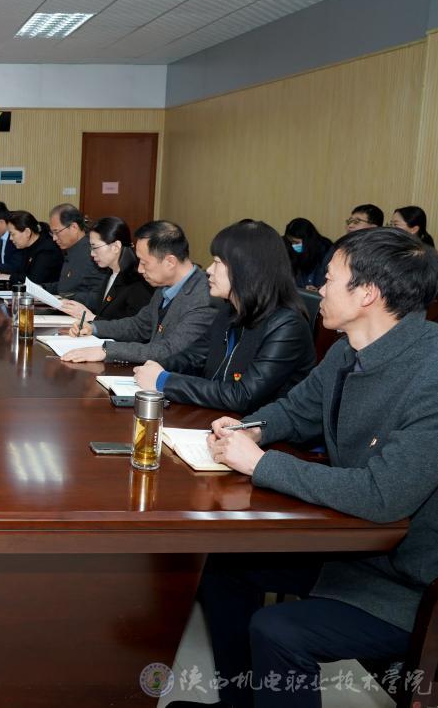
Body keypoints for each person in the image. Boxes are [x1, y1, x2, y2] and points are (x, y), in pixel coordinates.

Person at [167, 228, 438, 708]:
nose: (317, 289)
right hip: (355, 548)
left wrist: (261, 463)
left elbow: (382, 496)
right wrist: (251, 430)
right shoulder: (348, 349)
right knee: (225, 567)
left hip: (408, 583)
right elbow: (296, 409)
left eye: (329, 279)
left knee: (279, 631)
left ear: (367, 294)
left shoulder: (429, 374)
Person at [133, 220, 316, 413]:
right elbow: (193, 357)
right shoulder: (231, 311)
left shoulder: (287, 326)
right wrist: (156, 367)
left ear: (246, 269)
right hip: (218, 419)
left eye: (218, 262)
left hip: (258, 429)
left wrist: (164, 381)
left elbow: (242, 396)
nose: (209, 270)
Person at [62, 220, 219, 364]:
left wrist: (106, 350)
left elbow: (170, 350)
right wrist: (94, 327)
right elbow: (139, 325)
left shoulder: (203, 298)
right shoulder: (164, 286)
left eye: (144, 263)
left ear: (170, 262)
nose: (139, 269)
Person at [56, 216, 153, 322]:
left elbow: (133, 327)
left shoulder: (137, 282)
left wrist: (91, 318)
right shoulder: (110, 273)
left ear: (116, 246)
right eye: (91, 248)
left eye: (95, 247)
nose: (92, 253)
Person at [44, 203, 107, 307]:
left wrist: (67, 298)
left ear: (74, 227)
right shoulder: (73, 248)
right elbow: (69, 285)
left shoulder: (92, 253)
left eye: (57, 232)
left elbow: (100, 296)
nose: (54, 238)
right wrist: (42, 288)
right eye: (52, 233)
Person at [7, 210, 63, 287]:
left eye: (12, 234)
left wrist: (13, 277)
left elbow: (33, 282)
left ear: (27, 232)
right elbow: (18, 273)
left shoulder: (47, 250)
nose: (10, 238)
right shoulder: (27, 246)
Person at [283, 218, 332, 289]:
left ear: (307, 240)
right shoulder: (291, 250)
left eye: (296, 242)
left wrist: (318, 289)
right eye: (291, 242)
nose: (293, 245)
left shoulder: (327, 251)